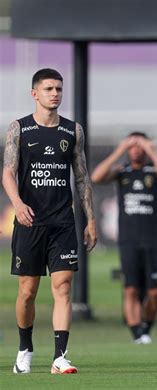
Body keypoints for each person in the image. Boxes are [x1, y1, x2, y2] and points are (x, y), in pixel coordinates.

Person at [2, 68, 97, 374]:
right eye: (48, 89)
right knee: (27, 292)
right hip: (30, 223)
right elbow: (7, 173)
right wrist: (17, 204)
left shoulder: (73, 131)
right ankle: (25, 348)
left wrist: (90, 219)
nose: (55, 93)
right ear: (35, 94)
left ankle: (59, 356)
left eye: (58, 88)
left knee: (63, 286)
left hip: (63, 223)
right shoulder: (19, 129)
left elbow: (82, 178)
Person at [91, 132, 157, 344]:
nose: (136, 150)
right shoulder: (122, 172)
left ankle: (146, 328)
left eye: (139, 146)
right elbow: (96, 177)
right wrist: (119, 150)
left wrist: (152, 151)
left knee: (154, 292)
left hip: (153, 239)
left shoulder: (153, 171)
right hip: (128, 240)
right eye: (132, 146)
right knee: (131, 289)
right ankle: (137, 333)